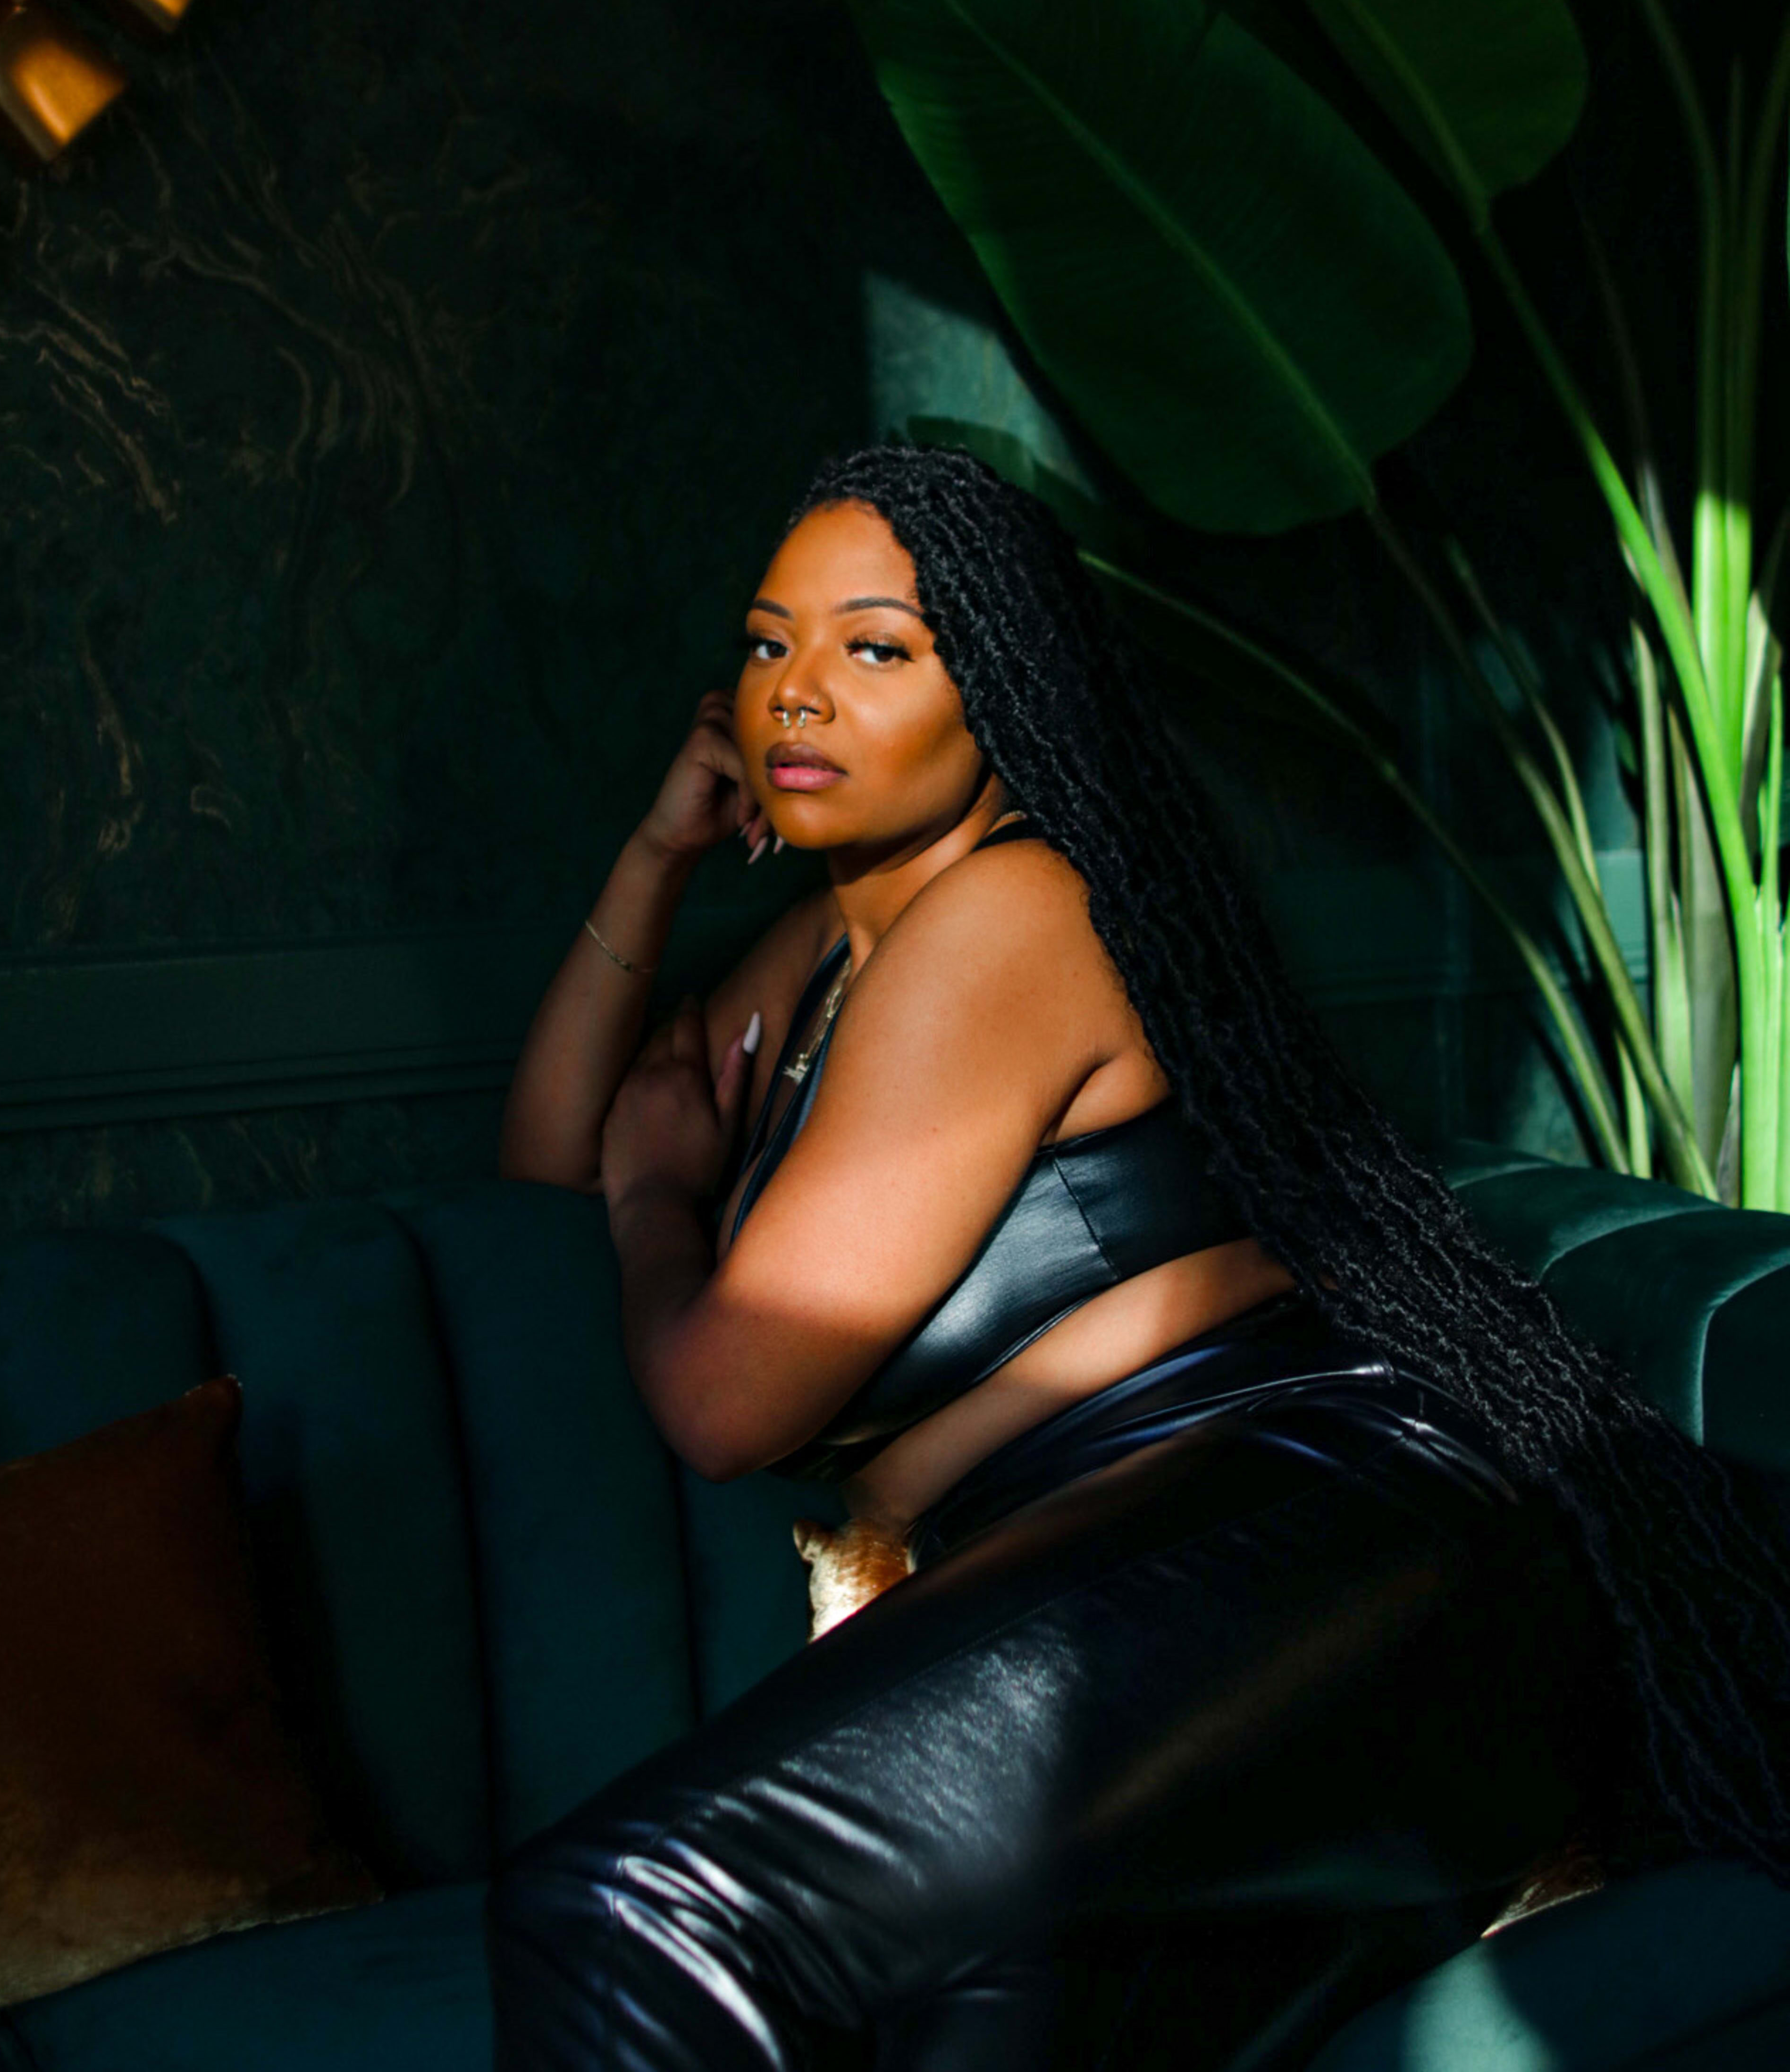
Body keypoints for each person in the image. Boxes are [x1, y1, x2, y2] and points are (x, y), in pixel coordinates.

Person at [486, 443, 1790, 2071]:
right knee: (953, 2029)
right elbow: (553, 1162)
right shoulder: (838, 938)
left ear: (1005, 696)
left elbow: (722, 1399)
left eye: (876, 649)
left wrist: (656, 1203)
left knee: (624, 1903)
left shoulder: (1005, 922)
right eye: (768, 645)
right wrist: (654, 856)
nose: (798, 695)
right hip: (1143, 1580)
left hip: (1307, 1527)